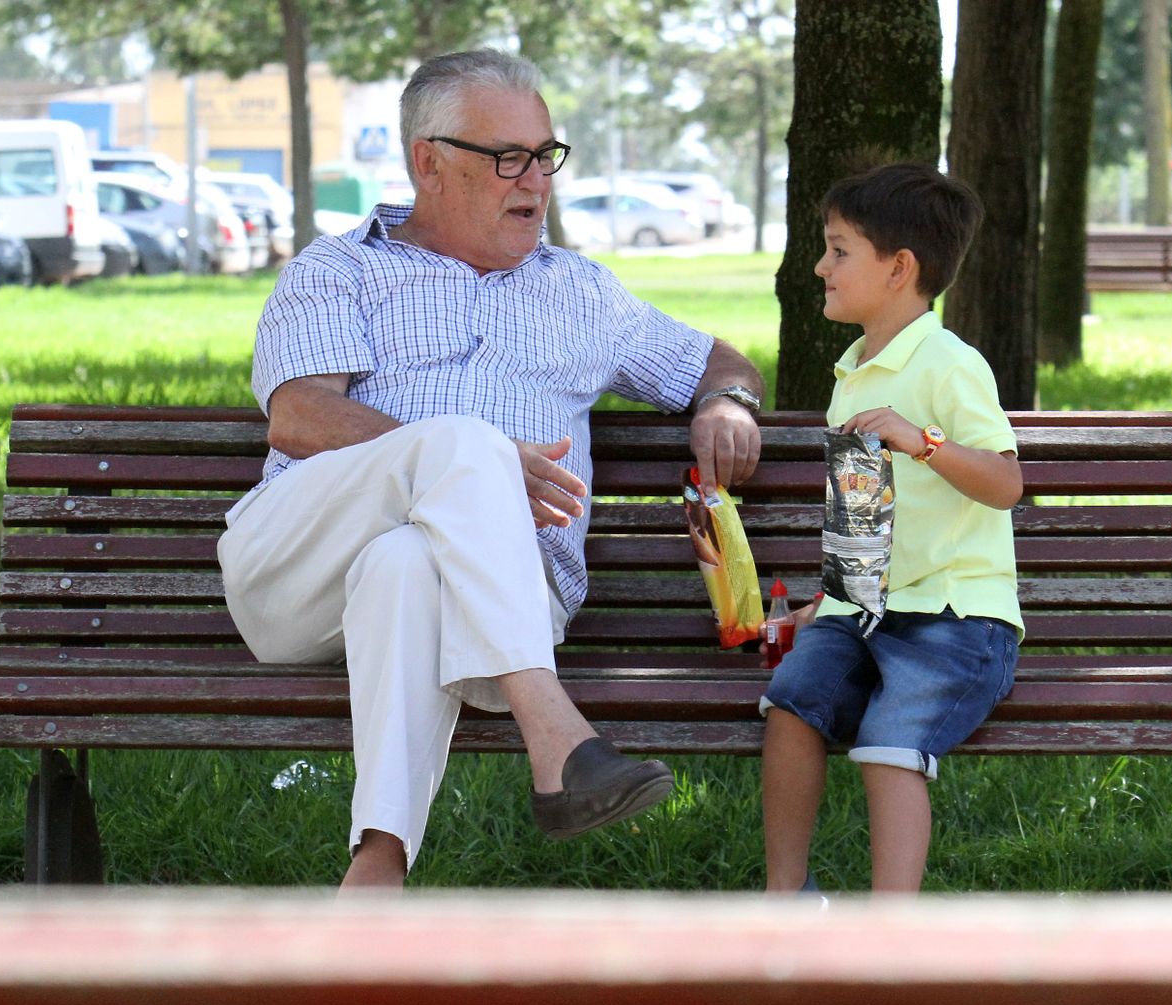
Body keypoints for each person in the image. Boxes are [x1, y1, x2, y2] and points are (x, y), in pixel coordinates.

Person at [216, 49, 764, 890]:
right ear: (426, 162)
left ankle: (378, 866)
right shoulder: (342, 269)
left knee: (406, 560)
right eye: (507, 156)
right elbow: (299, 415)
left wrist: (727, 403)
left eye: (545, 154)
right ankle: (557, 736)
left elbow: (717, 361)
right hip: (296, 575)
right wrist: (463, 460)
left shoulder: (581, 293)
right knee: (466, 443)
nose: (535, 180)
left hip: (493, 602)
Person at [759, 163, 1022, 894]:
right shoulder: (853, 374)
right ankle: (785, 898)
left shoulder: (950, 365)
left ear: (899, 267)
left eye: (839, 250)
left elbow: (1006, 483)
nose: (820, 266)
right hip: (868, 611)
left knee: (887, 745)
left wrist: (925, 441)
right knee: (790, 706)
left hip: (955, 616)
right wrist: (831, 599)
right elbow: (862, 512)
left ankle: (890, 940)